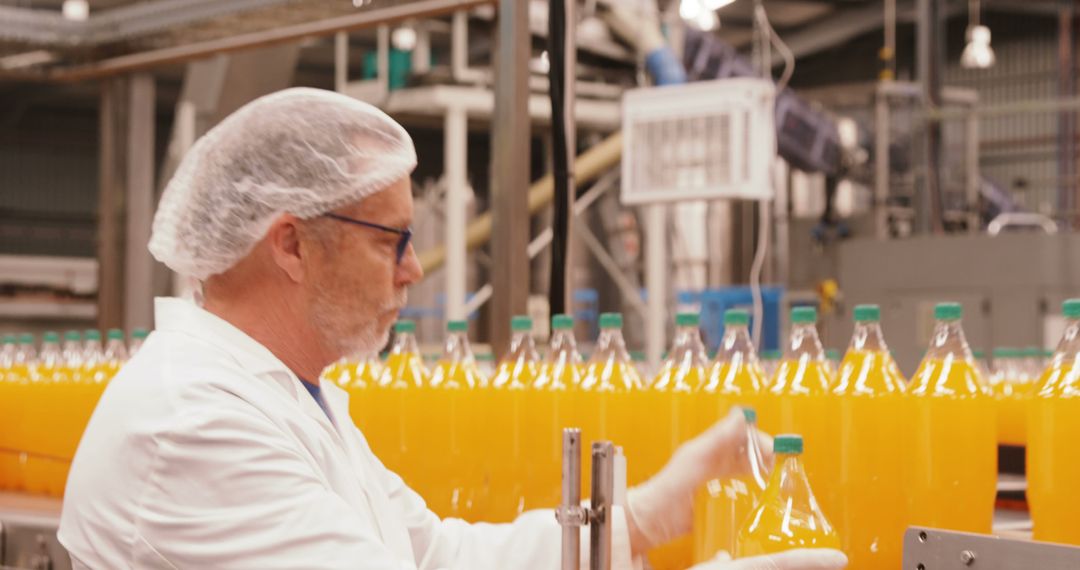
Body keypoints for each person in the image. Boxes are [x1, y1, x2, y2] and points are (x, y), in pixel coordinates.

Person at [57, 88, 846, 569]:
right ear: (292, 244)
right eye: (390, 240)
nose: (416, 270)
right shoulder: (195, 423)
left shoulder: (294, 398)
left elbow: (434, 557)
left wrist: (642, 515)